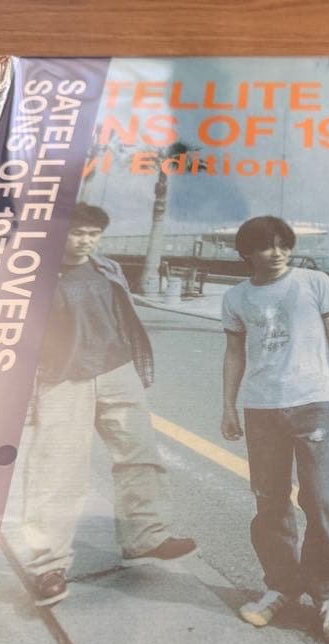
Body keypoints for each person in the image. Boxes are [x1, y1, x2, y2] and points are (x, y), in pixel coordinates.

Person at [21, 203, 195, 607]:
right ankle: (48, 566)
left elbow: (123, 318)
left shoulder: (107, 268)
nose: (86, 241)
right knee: (56, 470)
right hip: (63, 378)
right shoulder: (35, 276)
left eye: (94, 234)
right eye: (78, 232)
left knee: (140, 456)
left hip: (116, 369)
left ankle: (145, 538)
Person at [220, 216, 329, 644]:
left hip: (314, 403)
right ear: (246, 253)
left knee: (320, 500)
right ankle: (281, 585)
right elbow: (234, 352)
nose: (278, 253)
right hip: (261, 409)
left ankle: (328, 596)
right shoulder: (236, 297)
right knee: (270, 501)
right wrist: (228, 406)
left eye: (284, 244)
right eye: (266, 246)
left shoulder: (314, 282)